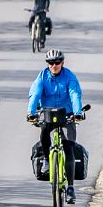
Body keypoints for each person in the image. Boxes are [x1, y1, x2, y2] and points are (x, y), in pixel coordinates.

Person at [26, 48, 83, 197]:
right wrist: (30, 112)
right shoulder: (42, 76)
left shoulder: (69, 77)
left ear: (62, 63)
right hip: (48, 113)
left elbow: (74, 94)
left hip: (67, 114)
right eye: (51, 62)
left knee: (68, 148)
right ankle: (46, 159)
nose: (54, 65)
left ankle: (70, 188)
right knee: (44, 131)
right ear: (47, 63)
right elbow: (35, 93)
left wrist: (77, 113)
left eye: (57, 62)